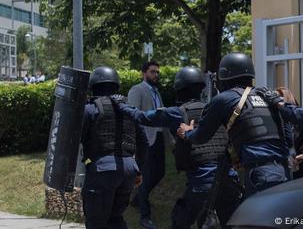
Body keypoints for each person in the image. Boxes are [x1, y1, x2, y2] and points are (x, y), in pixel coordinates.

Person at [116, 66, 242, 229]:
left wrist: (121, 105)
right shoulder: (215, 108)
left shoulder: (176, 113)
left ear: (179, 91)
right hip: (229, 180)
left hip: (201, 183)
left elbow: (141, 117)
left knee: (180, 221)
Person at [177, 53, 289, 198]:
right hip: (284, 170)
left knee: (259, 218)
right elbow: (286, 132)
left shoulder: (224, 99)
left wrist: (187, 133)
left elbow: (201, 136)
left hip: (260, 174)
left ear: (224, 75)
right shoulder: (265, 95)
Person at [81, 66, 149, 229]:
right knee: (115, 219)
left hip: (103, 169)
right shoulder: (129, 109)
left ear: (94, 87)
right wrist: (138, 170)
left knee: (96, 222)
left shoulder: (91, 109)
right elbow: (144, 142)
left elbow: (75, 138)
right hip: (129, 170)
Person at [127, 60, 169, 229]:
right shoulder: (137, 90)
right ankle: (145, 217)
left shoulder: (157, 93)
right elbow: (133, 114)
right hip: (144, 139)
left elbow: (163, 116)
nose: (156, 75)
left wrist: (170, 140)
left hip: (158, 138)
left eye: (157, 72)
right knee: (145, 177)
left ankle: (138, 199)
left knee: (160, 172)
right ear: (144, 73)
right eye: (152, 72)